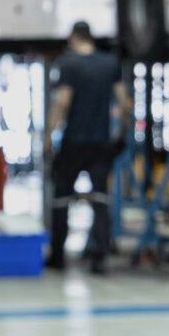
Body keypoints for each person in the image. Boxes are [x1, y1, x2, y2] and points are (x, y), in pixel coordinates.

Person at [47, 22, 129, 273]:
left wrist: (48, 135)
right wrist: (121, 134)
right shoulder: (109, 64)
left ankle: (58, 256)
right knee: (100, 199)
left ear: (73, 38)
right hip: (101, 143)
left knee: (62, 198)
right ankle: (99, 257)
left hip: (74, 142)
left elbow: (62, 102)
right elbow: (125, 103)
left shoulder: (68, 63)